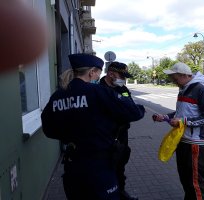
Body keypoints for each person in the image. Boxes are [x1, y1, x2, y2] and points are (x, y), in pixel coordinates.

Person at [41, 53, 145, 200]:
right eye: (98, 72)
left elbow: (48, 129)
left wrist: (71, 135)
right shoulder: (97, 92)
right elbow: (134, 112)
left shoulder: (57, 96)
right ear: (91, 72)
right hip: (98, 165)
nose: (98, 76)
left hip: (72, 165)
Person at [152, 62, 204, 200]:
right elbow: (182, 112)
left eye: (175, 79)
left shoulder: (202, 88)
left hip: (195, 143)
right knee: (186, 180)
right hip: (181, 140)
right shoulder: (183, 88)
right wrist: (166, 117)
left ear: (184, 75)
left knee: (195, 183)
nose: (173, 82)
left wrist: (183, 122)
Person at [99, 61, 138, 200]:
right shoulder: (99, 90)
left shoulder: (122, 89)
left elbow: (132, 108)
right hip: (106, 136)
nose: (124, 79)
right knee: (106, 166)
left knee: (120, 164)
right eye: (122, 76)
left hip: (122, 134)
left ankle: (120, 192)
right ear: (110, 74)